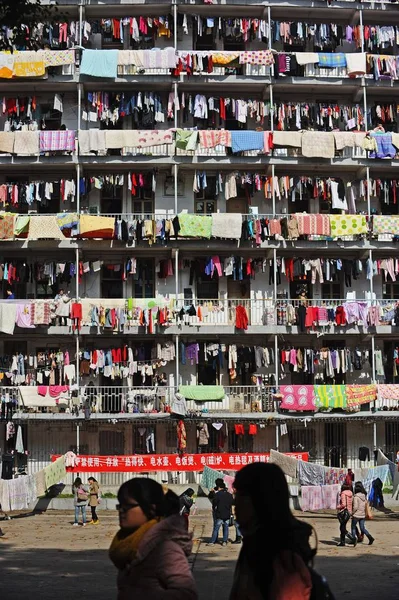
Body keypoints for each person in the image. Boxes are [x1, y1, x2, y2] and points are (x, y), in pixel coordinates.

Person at [230, 462, 334, 600]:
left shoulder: (283, 561)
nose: (235, 504)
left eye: (241, 496)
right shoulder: (254, 545)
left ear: (260, 500)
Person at [109, 477, 197, 600]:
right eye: (120, 505)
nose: (121, 511)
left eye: (128, 506)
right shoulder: (131, 542)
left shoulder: (165, 548)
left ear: (151, 508)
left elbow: (187, 594)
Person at [207, 481, 233, 547]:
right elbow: (231, 503)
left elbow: (214, 503)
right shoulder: (230, 495)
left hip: (219, 514)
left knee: (216, 528)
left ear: (219, 487)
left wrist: (214, 508)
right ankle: (224, 541)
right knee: (226, 528)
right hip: (227, 514)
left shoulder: (217, 494)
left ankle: (212, 541)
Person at [351, 482, 375, 546]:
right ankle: (370, 537)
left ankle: (354, 539)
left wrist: (352, 512)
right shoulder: (364, 496)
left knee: (353, 527)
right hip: (362, 515)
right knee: (362, 528)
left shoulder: (356, 497)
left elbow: (355, 507)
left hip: (356, 515)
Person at [337, 482, 353, 547]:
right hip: (349, 512)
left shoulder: (343, 494)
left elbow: (343, 504)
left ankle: (352, 538)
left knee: (342, 528)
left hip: (343, 512)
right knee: (342, 527)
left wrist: (338, 507)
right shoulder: (351, 493)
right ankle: (342, 542)